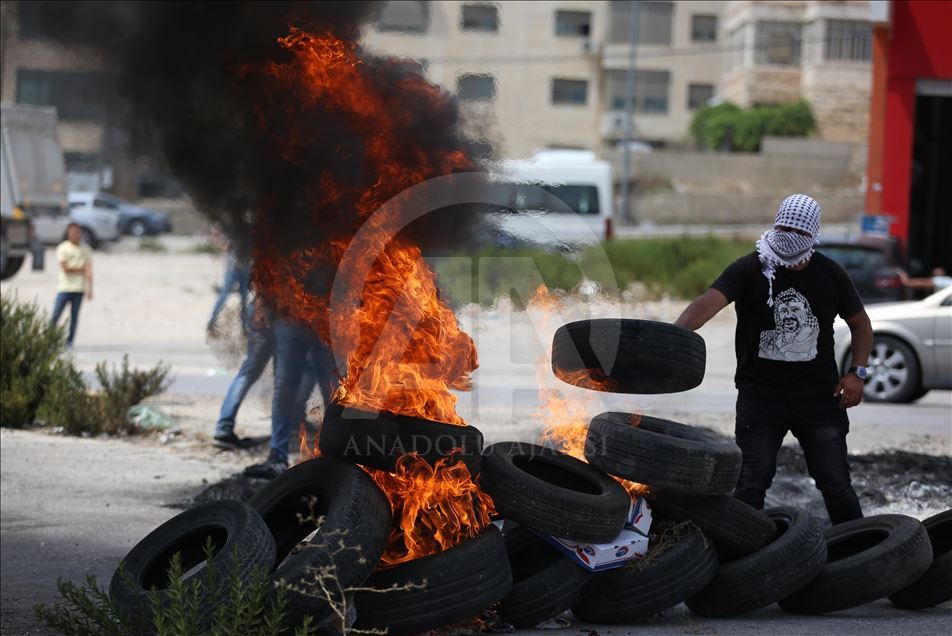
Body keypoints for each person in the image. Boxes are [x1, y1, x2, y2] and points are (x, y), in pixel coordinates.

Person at [674, 194, 872, 524]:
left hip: (819, 398)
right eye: (783, 231)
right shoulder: (750, 268)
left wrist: (857, 373)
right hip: (761, 397)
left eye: (797, 236)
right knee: (751, 483)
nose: (788, 245)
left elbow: (860, 324)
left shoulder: (831, 274)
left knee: (836, 485)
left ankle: (860, 550)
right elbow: (707, 303)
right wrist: (673, 337)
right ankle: (740, 559)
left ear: (813, 236)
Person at [244, 319, 337, 478]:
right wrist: (262, 306)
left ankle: (337, 455)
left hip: (325, 318)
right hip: (290, 318)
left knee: (332, 389)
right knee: (284, 387)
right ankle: (277, 456)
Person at [212, 299, 275, 449]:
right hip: (270, 311)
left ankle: (223, 427)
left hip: (263, 310)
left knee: (249, 372)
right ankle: (289, 427)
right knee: (281, 376)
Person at [50, 223, 93, 347]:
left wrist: (90, 289)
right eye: (73, 232)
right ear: (68, 234)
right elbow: (65, 269)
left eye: (77, 232)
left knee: (74, 317)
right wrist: (81, 269)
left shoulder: (86, 249)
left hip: (79, 288)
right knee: (56, 315)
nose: (76, 235)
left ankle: (70, 341)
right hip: (64, 287)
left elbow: (89, 271)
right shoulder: (63, 248)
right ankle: (49, 338)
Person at [206, 228, 250, 335]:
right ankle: (211, 322)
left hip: (245, 267)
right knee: (224, 296)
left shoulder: (247, 225)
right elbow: (214, 232)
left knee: (244, 298)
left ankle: (244, 327)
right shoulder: (230, 222)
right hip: (232, 268)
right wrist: (224, 246)